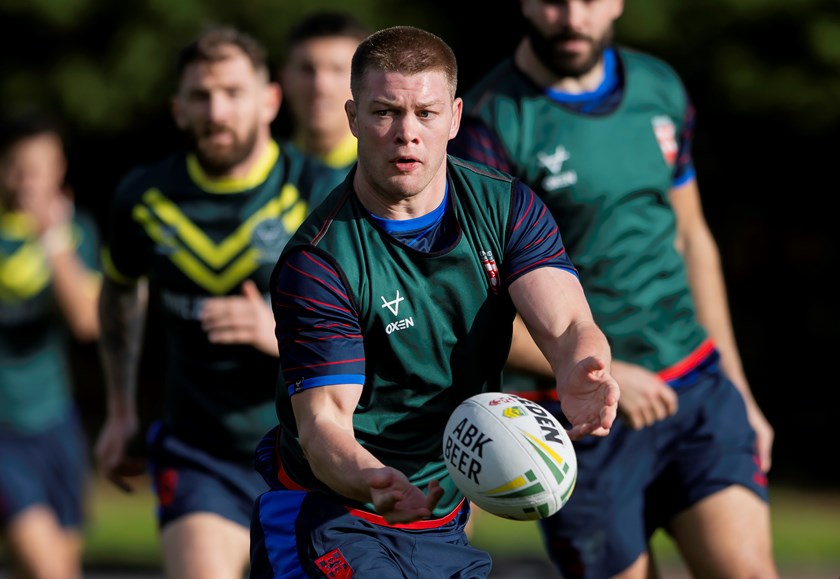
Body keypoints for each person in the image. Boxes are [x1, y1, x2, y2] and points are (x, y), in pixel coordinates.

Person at [249, 25, 620, 578]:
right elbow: (324, 424)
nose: (407, 134)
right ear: (352, 118)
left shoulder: (505, 208)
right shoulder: (321, 260)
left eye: (425, 113)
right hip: (327, 513)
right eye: (385, 112)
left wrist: (580, 367)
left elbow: (566, 321)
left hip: (440, 521)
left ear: (455, 118)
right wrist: (370, 480)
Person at [447, 1, 778, 578]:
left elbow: (693, 239)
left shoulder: (659, 87)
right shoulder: (486, 126)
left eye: (589, 0)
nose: (572, 17)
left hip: (694, 385)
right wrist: (604, 371)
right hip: (578, 416)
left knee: (746, 569)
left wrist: (738, 386)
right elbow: (477, 307)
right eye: (553, 1)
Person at [93, 26, 341, 579]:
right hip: (199, 449)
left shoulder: (322, 193)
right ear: (178, 109)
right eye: (201, 96)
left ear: (270, 101)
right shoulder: (144, 197)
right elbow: (118, 294)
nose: (216, 110)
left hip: (309, 453)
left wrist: (278, 331)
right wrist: (120, 410)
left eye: (232, 93)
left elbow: (374, 323)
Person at [0, 113, 101, 579]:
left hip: (55, 421)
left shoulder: (75, 231)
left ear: (59, 168)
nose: (28, 181)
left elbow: (86, 321)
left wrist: (51, 238)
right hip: (4, 429)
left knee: (61, 568)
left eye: (40, 167)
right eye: (17, 167)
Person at [278, 10, 370, 173]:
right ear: (285, 79)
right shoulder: (261, 171)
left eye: (337, 69)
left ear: (367, 81)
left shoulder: (389, 173)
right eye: (307, 70)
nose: (320, 86)